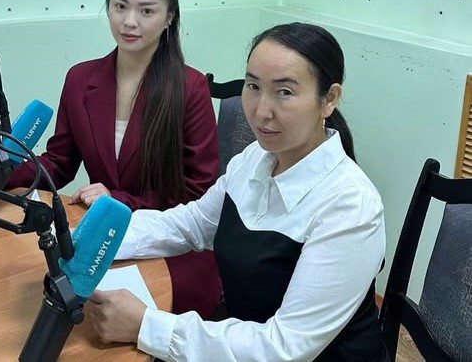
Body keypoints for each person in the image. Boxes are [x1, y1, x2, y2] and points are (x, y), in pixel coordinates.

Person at [87, 22, 387, 362]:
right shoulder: (254, 159)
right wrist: (96, 238)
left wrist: (146, 326)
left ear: (329, 99)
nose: (260, 111)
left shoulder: (350, 206)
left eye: (284, 92)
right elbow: (192, 224)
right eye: (253, 86)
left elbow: (285, 348)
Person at [0, 0, 222, 318]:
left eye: (146, 11)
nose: (129, 21)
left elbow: (198, 195)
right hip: (98, 241)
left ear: (169, 17)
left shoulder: (191, 88)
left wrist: (119, 200)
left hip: (170, 249)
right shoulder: (81, 79)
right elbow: (58, 163)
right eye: (120, 6)